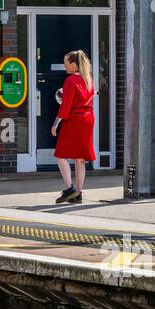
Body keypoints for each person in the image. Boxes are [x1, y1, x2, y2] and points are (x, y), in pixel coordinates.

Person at [52, 50, 96, 204]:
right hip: (88, 119)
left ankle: (69, 188)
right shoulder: (88, 79)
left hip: (75, 120)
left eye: (66, 64)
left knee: (60, 155)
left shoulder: (70, 81)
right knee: (80, 159)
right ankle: (78, 193)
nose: (65, 67)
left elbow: (66, 106)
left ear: (73, 64)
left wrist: (56, 123)